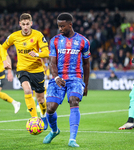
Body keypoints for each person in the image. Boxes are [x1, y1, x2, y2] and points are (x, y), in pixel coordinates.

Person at [43, 12, 90, 147]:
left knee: (73, 100)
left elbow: (86, 64)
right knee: (50, 108)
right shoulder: (55, 41)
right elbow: (52, 62)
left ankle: (72, 139)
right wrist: (56, 77)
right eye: (59, 26)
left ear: (70, 24)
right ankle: (54, 131)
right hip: (59, 77)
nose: (60, 29)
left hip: (75, 78)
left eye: (62, 26)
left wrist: (86, 84)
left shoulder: (83, 41)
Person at [1, 13, 49, 129]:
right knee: (27, 90)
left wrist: (37, 54)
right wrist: (4, 60)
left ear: (31, 23)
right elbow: (3, 47)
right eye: (23, 24)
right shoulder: (14, 36)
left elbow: (47, 52)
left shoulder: (38, 35)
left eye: (28, 24)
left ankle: (43, 114)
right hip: (22, 69)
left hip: (37, 70)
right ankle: (34, 119)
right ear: (20, 24)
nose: (26, 26)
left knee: (41, 99)